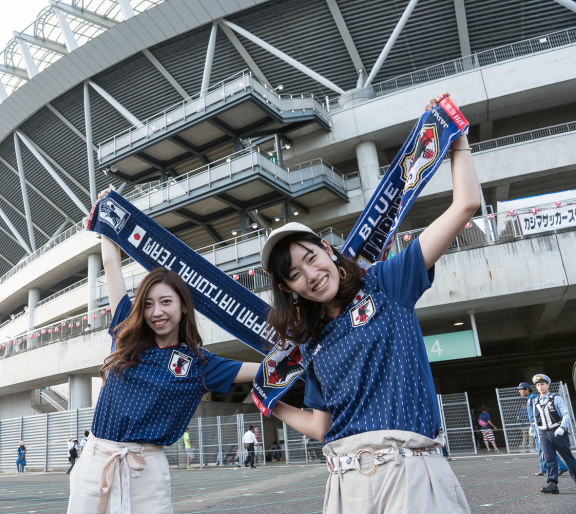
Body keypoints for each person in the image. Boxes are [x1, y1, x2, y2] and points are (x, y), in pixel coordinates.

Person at [261, 93, 476, 512]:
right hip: (344, 485)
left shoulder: (385, 283)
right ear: (289, 289)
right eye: (295, 275)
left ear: (326, 249)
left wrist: (458, 142)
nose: (311, 275)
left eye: (311, 258)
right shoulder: (312, 340)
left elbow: (464, 205)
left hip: (410, 476)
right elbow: (322, 425)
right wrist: (275, 405)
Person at [67, 186, 260, 514]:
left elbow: (263, 371)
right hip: (95, 462)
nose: (157, 311)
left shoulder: (198, 363)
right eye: (149, 304)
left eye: (166, 302)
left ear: (184, 307)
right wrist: (109, 210)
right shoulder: (125, 331)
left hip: (148, 470)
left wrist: (309, 356)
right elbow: (111, 263)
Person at [532, 374, 576, 494]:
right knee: (549, 460)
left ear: (548, 385)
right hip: (544, 434)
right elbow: (536, 420)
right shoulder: (535, 401)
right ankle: (552, 484)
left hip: (558, 433)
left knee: (568, 458)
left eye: (542, 384)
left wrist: (562, 427)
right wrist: (538, 435)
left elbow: (565, 414)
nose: (540, 387)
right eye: (537, 385)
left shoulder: (556, 398)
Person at [518, 382, 567, 477]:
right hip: (535, 425)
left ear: (527, 389)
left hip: (538, 426)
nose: (519, 391)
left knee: (544, 448)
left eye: (521, 389)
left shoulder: (533, 398)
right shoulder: (529, 398)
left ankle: (556, 467)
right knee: (542, 448)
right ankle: (548, 468)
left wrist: (534, 423)